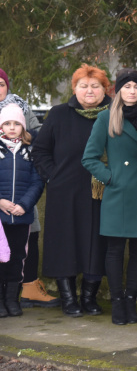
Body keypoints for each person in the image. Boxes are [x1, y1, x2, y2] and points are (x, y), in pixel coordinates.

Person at [33, 64, 113, 317]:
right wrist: (53, 176)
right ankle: (68, 299)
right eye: (83, 86)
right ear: (75, 88)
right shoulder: (58, 114)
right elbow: (40, 150)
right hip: (64, 192)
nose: (89, 91)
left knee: (96, 244)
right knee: (65, 244)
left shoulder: (115, 114)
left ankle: (89, 298)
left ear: (105, 89)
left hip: (102, 192)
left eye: (95, 86)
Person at [82, 69, 137, 325]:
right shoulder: (106, 118)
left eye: (136, 87)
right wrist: (112, 178)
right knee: (114, 251)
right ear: (118, 89)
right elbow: (89, 158)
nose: (132, 91)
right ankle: (116, 302)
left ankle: (131, 301)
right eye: (127, 86)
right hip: (119, 193)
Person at [0, 68, 58, 309]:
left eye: (1, 84)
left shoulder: (20, 107)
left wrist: (25, 136)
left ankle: (27, 288)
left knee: (23, 245)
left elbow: (39, 133)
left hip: (23, 195)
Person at [0, 104, 44, 318]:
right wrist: (1, 202)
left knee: (18, 257)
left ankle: (11, 299)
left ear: (23, 127)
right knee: (1, 258)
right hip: (0, 216)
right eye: (7, 123)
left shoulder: (30, 152)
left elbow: (37, 182)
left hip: (21, 215)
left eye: (16, 124)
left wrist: (24, 205)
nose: (12, 127)